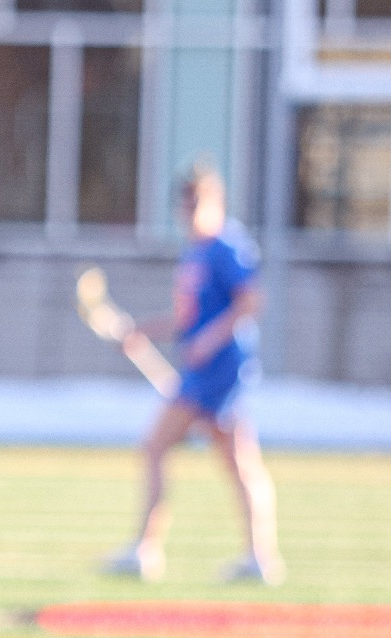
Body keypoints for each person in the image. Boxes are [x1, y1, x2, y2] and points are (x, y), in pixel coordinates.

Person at [105, 163, 283, 584]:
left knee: (157, 447)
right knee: (237, 461)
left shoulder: (227, 247)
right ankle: (260, 557)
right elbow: (188, 319)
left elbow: (251, 302)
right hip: (202, 371)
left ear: (216, 202)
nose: (189, 212)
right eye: (185, 204)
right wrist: (141, 331)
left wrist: (209, 341)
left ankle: (146, 551)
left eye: (197, 202)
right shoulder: (194, 253)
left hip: (221, 371)